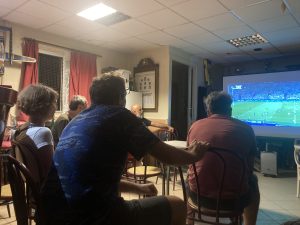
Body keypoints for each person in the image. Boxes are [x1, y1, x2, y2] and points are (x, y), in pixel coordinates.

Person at [41, 74, 210, 225]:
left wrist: (139, 188)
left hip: (51, 215)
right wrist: (194, 154)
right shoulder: (119, 115)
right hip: (90, 217)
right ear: (121, 97)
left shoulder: (75, 122)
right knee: (178, 205)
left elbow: (93, 179)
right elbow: (168, 156)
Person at [186, 91, 260, 225]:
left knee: (189, 176)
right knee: (253, 180)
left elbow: (191, 158)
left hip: (198, 197)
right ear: (230, 110)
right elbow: (249, 169)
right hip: (233, 201)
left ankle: (189, 221)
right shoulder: (246, 129)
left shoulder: (194, 126)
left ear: (208, 110)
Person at [14, 84, 58, 186]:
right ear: (44, 106)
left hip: (32, 191)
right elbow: (51, 171)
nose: (55, 107)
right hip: (45, 195)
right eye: (53, 103)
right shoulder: (43, 132)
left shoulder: (21, 130)